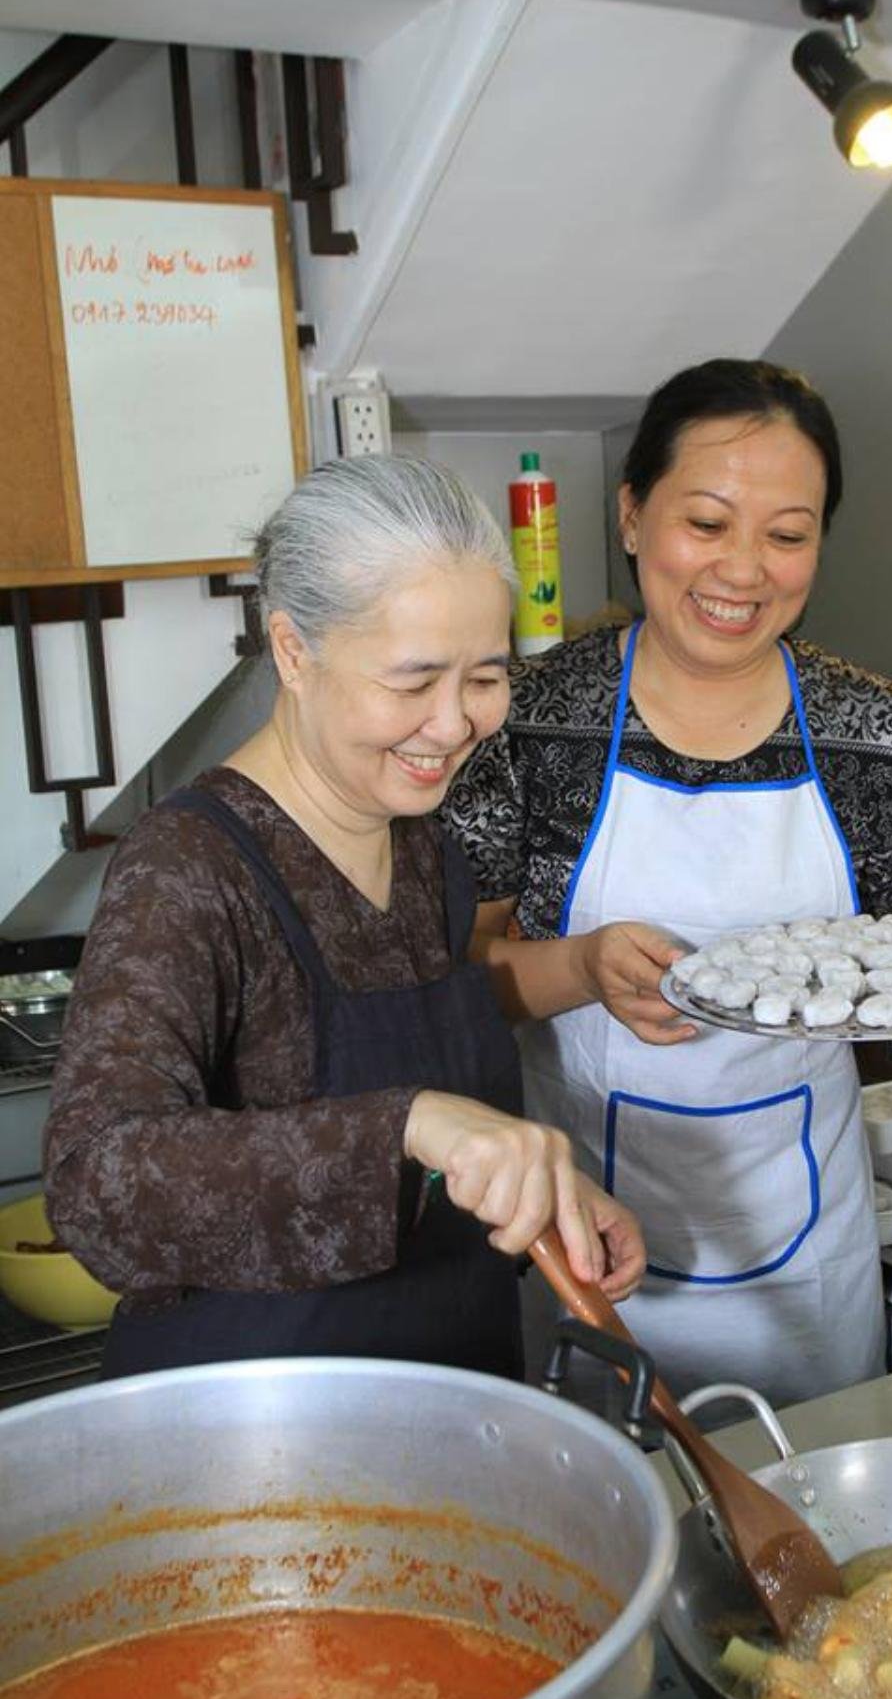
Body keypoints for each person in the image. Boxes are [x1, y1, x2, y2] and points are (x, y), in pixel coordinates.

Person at [44, 454, 644, 1382]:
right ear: (293, 651)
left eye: (484, 678)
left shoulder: (423, 850)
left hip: (454, 1388)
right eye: (412, 683)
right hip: (260, 1434)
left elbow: (439, 1122)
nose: (452, 726)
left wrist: (540, 1189)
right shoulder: (188, 869)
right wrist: (407, 1122)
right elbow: (99, 1185)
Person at [442, 358, 892, 1408]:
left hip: (808, 1243)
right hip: (584, 1241)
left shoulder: (874, 729)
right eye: (707, 523)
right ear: (631, 517)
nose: (745, 570)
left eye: (788, 533)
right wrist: (581, 968)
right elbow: (456, 988)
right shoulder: (530, 717)